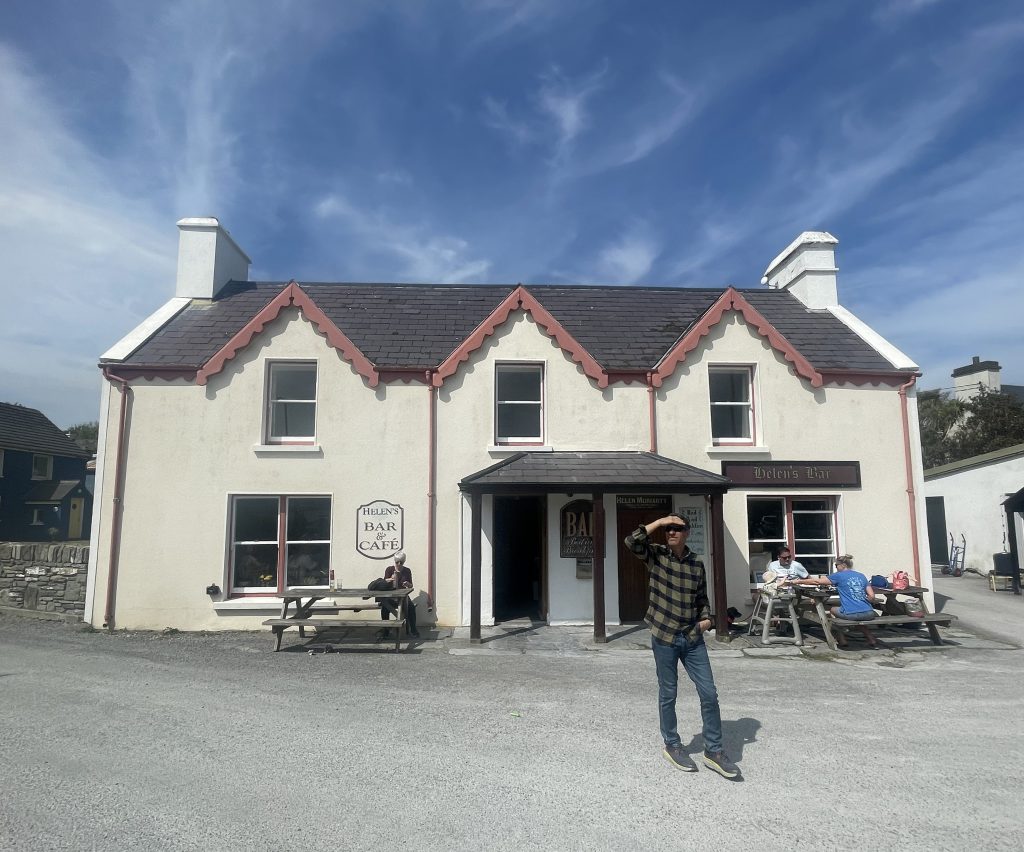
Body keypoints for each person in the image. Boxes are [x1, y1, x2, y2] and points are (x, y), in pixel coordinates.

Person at [624, 512, 740, 779]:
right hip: (664, 636)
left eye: (677, 528)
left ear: (687, 532)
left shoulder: (696, 564)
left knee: (709, 693)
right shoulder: (656, 555)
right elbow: (631, 541)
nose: (672, 532)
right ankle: (672, 745)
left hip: (691, 638)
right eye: (669, 529)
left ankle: (714, 750)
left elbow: (702, 598)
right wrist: (660, 521)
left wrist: (706, 621)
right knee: (668, 693)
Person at [791, 554, 878, 648]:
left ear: (842, 565)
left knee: (831, 610)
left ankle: (841, 639)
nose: (836, 568)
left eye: (836, 565)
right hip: (869, 613)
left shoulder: (839, 576)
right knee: (855, 616)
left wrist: (798, 581)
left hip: (851, 614)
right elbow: (872, 596)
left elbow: (817, 582)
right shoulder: (861, 576)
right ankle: (871, 639)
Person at [378, 552, 419, 638]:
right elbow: (384, 582)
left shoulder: (407, 571)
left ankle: (413, 630)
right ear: (395, 561)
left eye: (401, 562)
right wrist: (391, 579)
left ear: (404, 561)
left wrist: (408, 584)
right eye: (397, 562)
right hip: (391, 596)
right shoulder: (389, 569)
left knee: (411, 607)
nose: (399, 564)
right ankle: (386, 631)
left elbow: (411, 585)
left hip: (403, 597)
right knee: (385, 607)